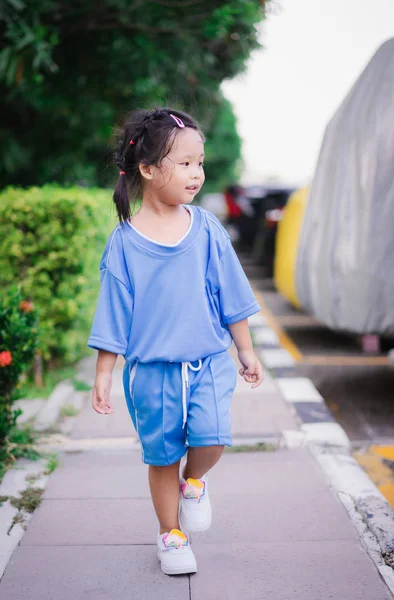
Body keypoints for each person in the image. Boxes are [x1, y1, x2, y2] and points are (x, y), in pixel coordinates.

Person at [88, 107, 264, 576]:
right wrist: (105, 372)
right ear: (147, 169)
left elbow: (233, 293)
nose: (197, 173)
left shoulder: (206, 229)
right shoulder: (124, 243)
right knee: (161, 454)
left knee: (212, 440)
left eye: (199, 162)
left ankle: (195, 482)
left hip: (207, 361)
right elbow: (113, 313)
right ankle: (171, 535)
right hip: (151, 372)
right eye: (185, 163)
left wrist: (245, 349)